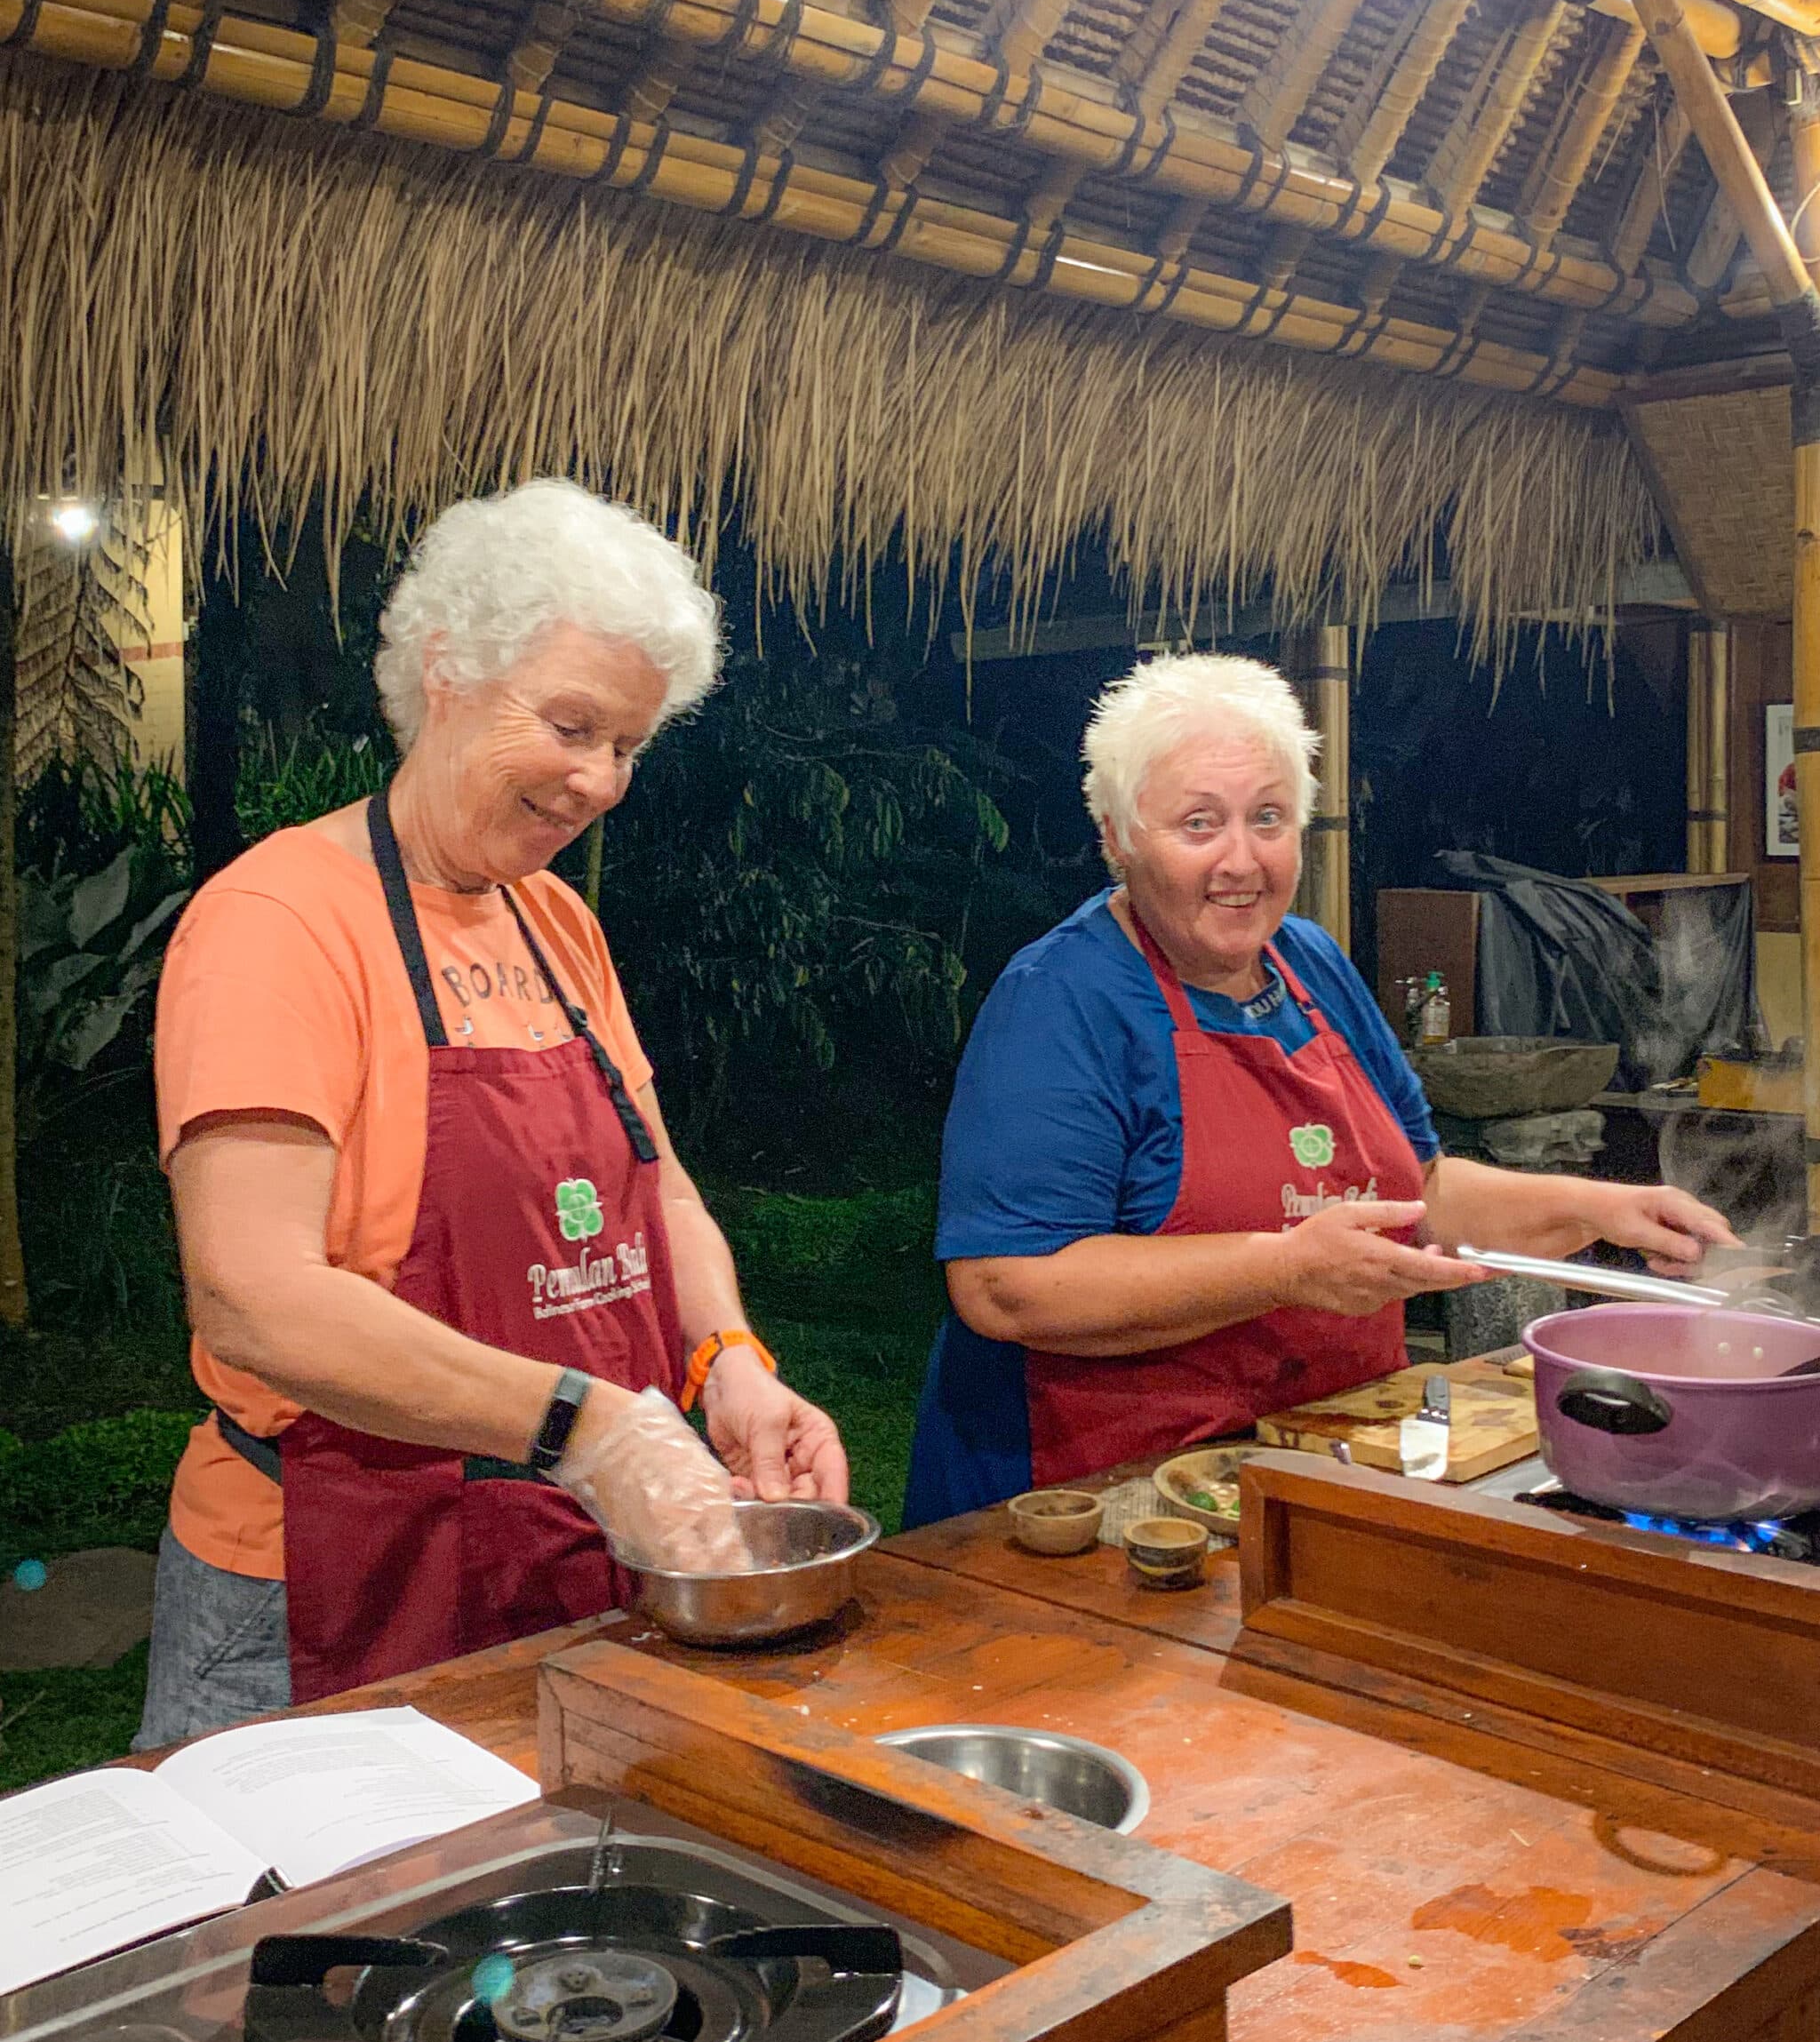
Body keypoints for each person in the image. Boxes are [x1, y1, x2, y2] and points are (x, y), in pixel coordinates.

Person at [137, 479, 848, 1748]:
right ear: (445, 670)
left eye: (627, 745)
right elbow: (252, 1296)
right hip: (331, 1575)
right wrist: (587, 1426)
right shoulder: (276, 922)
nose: (599, 780)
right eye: (572, 726)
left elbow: (658, 1185)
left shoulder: (556, 922)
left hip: (562, 1543)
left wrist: (728, 1363)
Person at [902, 653, 1734, 1525]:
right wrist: (1286, 1270)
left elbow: (1419, 1191)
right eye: (1198, 823)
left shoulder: (1310, 964)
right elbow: (1006, 1285)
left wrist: (1603, 1209)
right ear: (1117, 837)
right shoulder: (1062, 1000)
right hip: (1107, 1499)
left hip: (1323, 1455)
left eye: (1267, 817)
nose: (1241, 860)